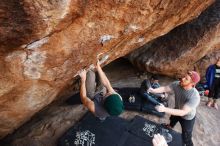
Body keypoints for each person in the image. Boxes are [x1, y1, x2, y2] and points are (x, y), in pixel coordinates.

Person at [148, 71, 200, 146]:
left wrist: (164, 109)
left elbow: (182, 112)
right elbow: (165, 88)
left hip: (187, 117)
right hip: (176, 109)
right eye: (184, 76)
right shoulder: (177, 84)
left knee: (186, 137)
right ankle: (170, 126)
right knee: (172, 120)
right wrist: (153, 90)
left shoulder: (194, 96)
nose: (182, 78)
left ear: (192, 84)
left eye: (186, 79)